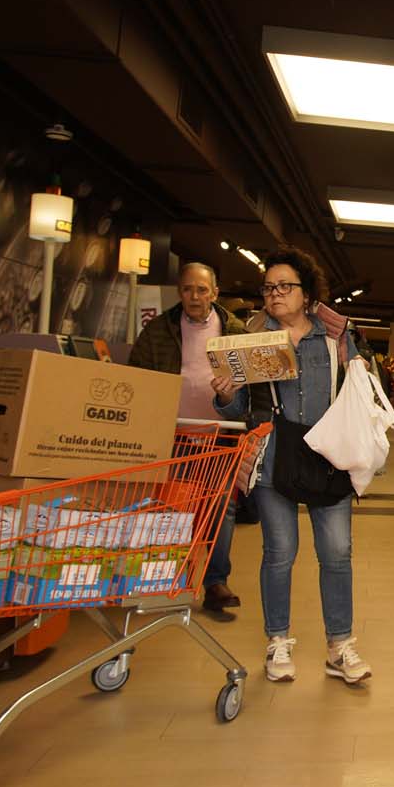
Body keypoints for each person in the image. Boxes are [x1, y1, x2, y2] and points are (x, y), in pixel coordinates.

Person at [211, 249, 372, 686]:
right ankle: (277, 640)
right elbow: (240, 407)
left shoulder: (334, 338)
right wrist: (226, 393)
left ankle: (340, 646)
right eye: (268, 287)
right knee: (279, 554)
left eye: (285, 286)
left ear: (306, 293)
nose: (275, 294)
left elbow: (356, 391)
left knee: (337, 554)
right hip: (272, 458)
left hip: (329, 456)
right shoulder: (251, 337)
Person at [127, 261, 245, 614]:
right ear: (180, 292)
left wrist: (231, 399)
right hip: (173, 435)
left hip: (221, 436)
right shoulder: (159, 330)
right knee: (172, 507)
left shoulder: (235, 331)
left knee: (222, 509)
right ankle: (170, 575)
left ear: (215, 292)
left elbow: (248, 390)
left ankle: (215, 582)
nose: (194, 297)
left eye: (202, 290)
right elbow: (137, 378)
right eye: (188, 290)